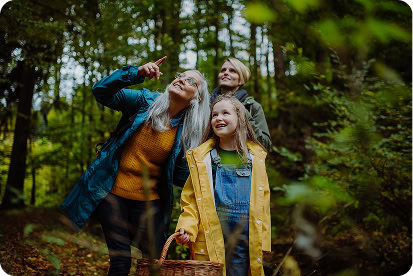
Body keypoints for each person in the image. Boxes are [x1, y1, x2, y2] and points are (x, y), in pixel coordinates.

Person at [61, 56, 210, 275]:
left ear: (196, 99)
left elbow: (180, 178)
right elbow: (100, 91)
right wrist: (135, 73)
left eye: (190, 81)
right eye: (180, 76)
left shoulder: (187, 132)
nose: (181, 79)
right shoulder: (143, 102)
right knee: (121, 262)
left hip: (150, 204)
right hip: (113, 195)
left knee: (155, 262)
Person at [175, 95, 271, 276]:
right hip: (211, 233)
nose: (218, 118)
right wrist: (187, 225)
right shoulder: (203, 159)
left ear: (240, 119)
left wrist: (264, 240)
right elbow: (191, 198)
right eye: (214, 115)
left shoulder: (255, 158)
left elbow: (263, 202)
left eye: (225, 113)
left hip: (245, 237)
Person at [211, 57, 272, 150]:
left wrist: (242, 112)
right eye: (223, 70)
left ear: (241, 79)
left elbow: (265, 144)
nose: (226, 73)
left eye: (232, 71)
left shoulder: (252, 106)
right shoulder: (207, 103)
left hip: (241, 161)